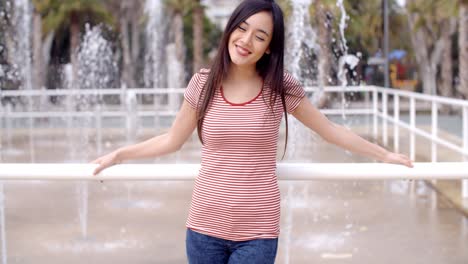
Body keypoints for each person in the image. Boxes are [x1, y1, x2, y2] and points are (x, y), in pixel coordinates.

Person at [92, 0, 413, 263]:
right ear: (230, 29)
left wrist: (384, 155)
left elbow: (329, 130)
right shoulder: (203, 83)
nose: (246, 41)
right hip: (204, 227)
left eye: (259, 36)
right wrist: (120, 155)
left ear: (270, 48)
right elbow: (171, 140)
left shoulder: (280, 86)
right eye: (242, 29)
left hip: (257, 233)